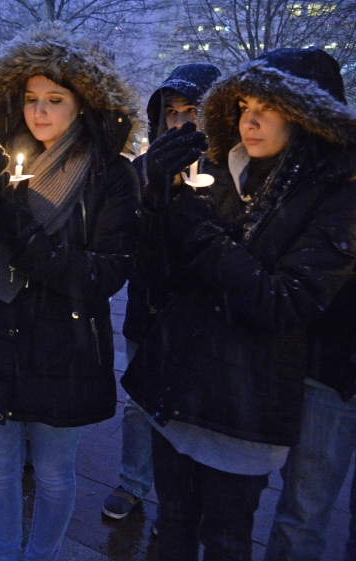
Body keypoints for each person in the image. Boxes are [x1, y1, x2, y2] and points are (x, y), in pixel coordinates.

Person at [121, 47, 356, 560]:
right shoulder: (220, 168)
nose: (249, 120)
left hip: (245, 402)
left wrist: (197, 229)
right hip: (178, 387)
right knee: (174, 522)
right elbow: (161, 278)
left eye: (267, 108)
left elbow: (285, 302)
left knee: (228, 539)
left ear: (307, 116)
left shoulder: (337, 197)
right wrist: (159, 201)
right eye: (245, 105)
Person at [0, 26, 139, 560]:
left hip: (66, 348)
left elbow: (103, 275)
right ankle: (6, 553)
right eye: (31, 99)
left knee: (54, 473)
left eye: (55, 100)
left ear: (83, 105)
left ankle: (43, 555)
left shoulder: (110, 177)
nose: (40, 111)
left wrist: (19, 227)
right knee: (1, 467)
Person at [104, 63, 222, 521]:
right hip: (148, 306)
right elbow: (129, 240)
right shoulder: (143, 169)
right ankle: (134, 482)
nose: (181, 123)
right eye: (171, 113)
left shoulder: (230, 172)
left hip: (201, 311)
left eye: (192, 110)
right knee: (138, 401)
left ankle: (183, 505)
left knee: (193, 406)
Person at [261, 55, 356, 561]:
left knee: (304, 510)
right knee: (304, 509)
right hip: (325, 365)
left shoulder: (338, 181)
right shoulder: (288, 176)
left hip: (333, 364)